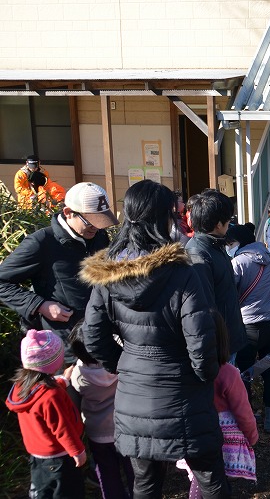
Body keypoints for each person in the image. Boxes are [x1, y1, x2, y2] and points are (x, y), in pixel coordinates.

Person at [81, 180, 226, 498]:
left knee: (145, 484)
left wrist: (124, 364)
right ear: (163, 220)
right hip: (185, 394)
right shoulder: (182, 272)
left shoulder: (108, 274)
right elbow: (200, 342)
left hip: (134, 395)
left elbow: (92, 334)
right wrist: (206, 377)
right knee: (211, 478)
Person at [0, 182, 116, 348]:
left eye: (101, 221)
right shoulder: (41, 242)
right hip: (64, 345)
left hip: (99, 338)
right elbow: (2, 282)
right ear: (68, 213)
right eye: (90, 221)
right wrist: (39, 305)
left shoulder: (99, 236)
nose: (96, 228)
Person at [179, 313, 258, 496]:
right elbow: (243, 411)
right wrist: (252, 436)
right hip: (222, 442)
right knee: (215, 485)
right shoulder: (228, 373)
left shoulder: (183, 370)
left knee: (200, 479)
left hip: (192, 435)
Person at [6, 329, 86, 498]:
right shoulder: (51, 396)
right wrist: (78, 451)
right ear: (53, 363)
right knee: (66, 492)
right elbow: (62, 427)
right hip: (60, 457)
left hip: (38, 455)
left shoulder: (22, 388)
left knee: (44, 491)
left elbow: (43, 393)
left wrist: (63, 380)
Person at [227, 223, 270, 433]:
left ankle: (247, 416)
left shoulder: (238, 263)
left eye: (230, 242)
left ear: (238, 243)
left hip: (248, 325)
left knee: (243, 372)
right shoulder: (268, 260)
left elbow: (230, 293)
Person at [68, 322, 134, 498]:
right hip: (126, 429)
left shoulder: (78, 375)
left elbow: (75, 396)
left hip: (97, 433)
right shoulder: (122, 364)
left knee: (107, 474)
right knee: (134, 472)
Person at [185, 190, 246, 358]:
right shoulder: (198, 254)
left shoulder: (214, 245)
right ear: (218, 224)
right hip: (218, 344)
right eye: (228, 220)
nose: (230, 224)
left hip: (227, 336)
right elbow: (201, 308)